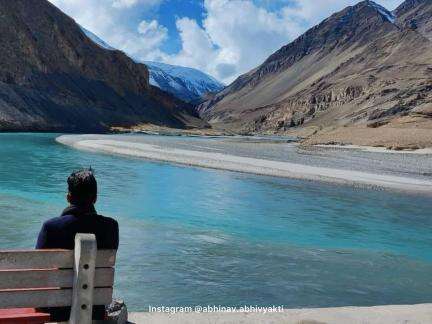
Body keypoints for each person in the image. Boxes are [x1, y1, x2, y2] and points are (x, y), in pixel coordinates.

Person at [36, 169, 119, 321]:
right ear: (95, 198)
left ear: (68, 197)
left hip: (55, 308)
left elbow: (38, 271)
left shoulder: (51, 227)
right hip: (95, 308)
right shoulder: (111, 226)